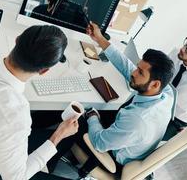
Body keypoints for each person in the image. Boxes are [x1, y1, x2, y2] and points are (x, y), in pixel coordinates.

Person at [0, 25, 79, 180]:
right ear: (44, 71)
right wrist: (58, 135)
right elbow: (15, 177)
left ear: (17, 40)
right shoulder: (16, 114)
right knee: (64, 139)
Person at [75, 22, 175, 176]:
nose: (134, 73)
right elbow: (127, 67)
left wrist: (92, 117)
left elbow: (99, 143)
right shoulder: (167, 93)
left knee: (73, 115)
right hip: (127, 136)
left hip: (113, 156)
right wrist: (100, 39)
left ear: (155, 84)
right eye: (138, 67)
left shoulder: (136, 120)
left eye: (140, 73)